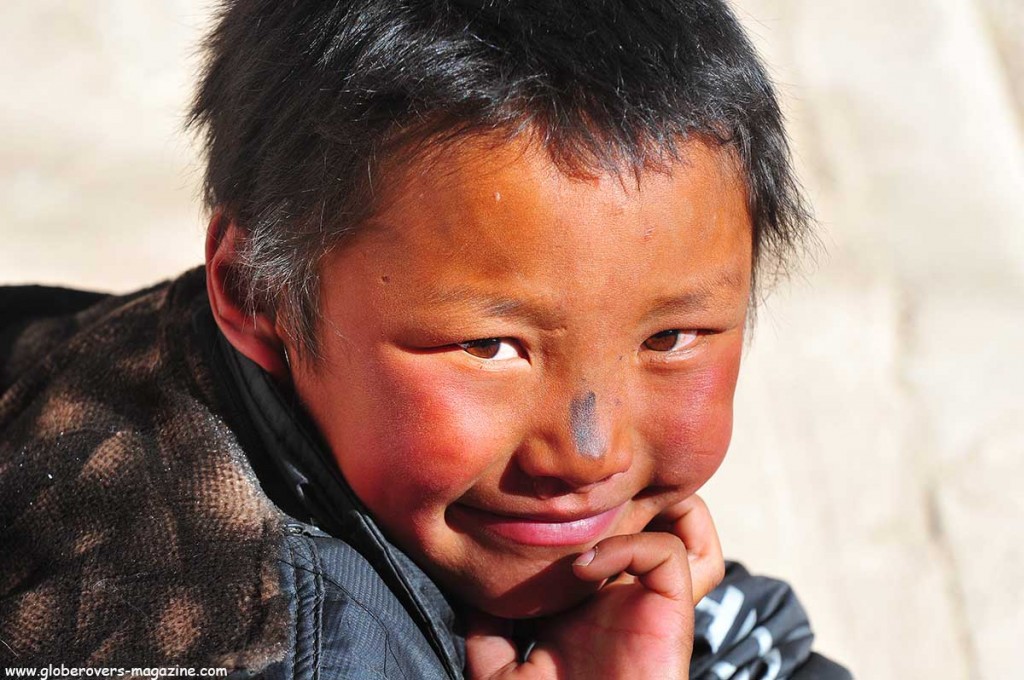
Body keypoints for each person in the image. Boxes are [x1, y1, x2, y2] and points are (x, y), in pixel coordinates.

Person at [0, 1, 851, 677]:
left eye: (672, 336)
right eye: (490, 346)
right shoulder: (261, 647)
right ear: (257, 289)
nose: (590, 454)